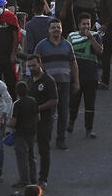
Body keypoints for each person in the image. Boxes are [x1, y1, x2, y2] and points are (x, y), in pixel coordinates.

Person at [33, 18, 78, 150]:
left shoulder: (67, 45)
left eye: (58, 27)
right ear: (48, 30)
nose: (56, 29)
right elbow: (35, 65)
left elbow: (73, 64)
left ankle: (61, 139)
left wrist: (76, 81)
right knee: (47, 112)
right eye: (53, 27)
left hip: (64, 83)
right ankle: (44, 137)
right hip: (47, 84)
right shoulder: (41, 46)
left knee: (63, 112)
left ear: (62, 29)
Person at [66, 12, 102, 138]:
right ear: (79, 24)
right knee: (74, 101)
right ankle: (71, 121)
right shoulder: (72, 36)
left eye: (88, 24)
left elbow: (100, 51)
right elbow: (67, 53)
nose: (86, 26)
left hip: (91, 74)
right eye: (83, 24)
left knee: (90, 102)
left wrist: (91, 37)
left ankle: (89, 128)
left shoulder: (96, 35)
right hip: (76, 74)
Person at [25, 54, 57, 188]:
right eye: (30, 66)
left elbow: (54, 100)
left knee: (44, 150)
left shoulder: (48, 80)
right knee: (29, 150)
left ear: (40, 64)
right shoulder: (29, 81)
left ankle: (43, 178)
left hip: (45, 120)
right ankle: (30, 178)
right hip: (30, 122)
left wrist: (37, 109)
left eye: (34, 65)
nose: (32, 68)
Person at [7, 80, 38, 188]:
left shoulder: (17, 104)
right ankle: (34, 179)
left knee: (22, 158)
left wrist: (7, 124)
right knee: (31, 157)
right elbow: (38, 117)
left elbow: (13, 122)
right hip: (32, 133)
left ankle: (24, 180)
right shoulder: (33, 101)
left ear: (17, 92)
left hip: (20, 134)